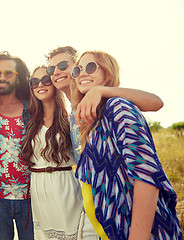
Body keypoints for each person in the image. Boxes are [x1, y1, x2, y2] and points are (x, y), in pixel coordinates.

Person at [71, 50, 182, 239]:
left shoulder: (118, 108)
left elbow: (146, 176)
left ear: (108, 72)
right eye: (77, 69)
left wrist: (101, 90)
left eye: (90, 67)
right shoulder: (95, 121)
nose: (82, 73)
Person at [46, 46, 164, 160]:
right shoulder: (72, 113)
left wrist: (100, 90)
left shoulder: (113, 104)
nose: (55, 72)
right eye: (51, 69)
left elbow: (156, 102)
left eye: (62, 66)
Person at [21, 66, 99, 240]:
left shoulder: (69, 117)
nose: (40, 85)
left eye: (45, 80)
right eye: (34, 82)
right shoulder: (29, 120)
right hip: (39, 188)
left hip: (65, 186)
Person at [0, 51, 34, 240]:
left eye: (8, 73)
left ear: (19, 78)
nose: (1, 78)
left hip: (30, 196)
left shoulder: (33, 108)